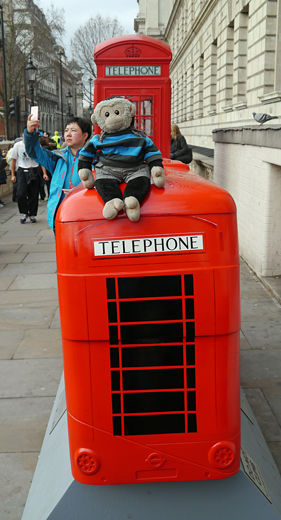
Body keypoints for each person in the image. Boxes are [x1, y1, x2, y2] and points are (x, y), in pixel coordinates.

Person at [25, 115, 91, 231]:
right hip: (60, 217)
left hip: (85, 216)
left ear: (85, 135)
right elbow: (34, 152)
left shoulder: (94, 159)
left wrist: (80, 193)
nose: (68, 134)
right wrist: (30, 133)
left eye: (73, 130)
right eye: (66, 131)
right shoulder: (57, 157)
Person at [10, 137, 41, 223]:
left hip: (34, 170)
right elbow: (13, 160)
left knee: (33, 194)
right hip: (22, 171)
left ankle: (32, 214)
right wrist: (13, 174)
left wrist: (44, 173)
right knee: (20, 194)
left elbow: (41, 159)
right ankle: (24, 212)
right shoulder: (18, 145)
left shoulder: (36, 145)